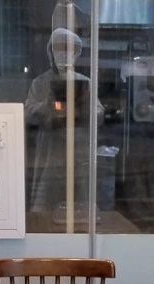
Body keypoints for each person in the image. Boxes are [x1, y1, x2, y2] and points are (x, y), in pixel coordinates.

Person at [25, 27, 104, 215]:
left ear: (77, 52)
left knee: (81, 204)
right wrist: (47, 105)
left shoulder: (85, 82)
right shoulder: (40, 83)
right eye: (59, 48)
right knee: (43, 205)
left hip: (79, 153)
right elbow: (27, 112)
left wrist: (84, 107)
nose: (64, 53)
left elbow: (99, 113)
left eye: (69, 48)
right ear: (50, 51)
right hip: (50, 154)